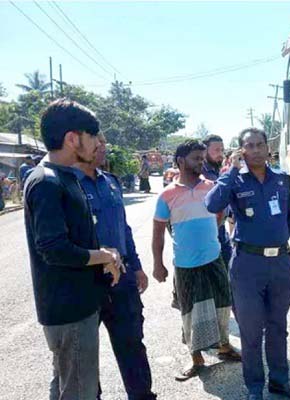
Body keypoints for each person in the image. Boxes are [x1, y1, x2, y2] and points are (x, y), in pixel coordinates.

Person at [23, 99, 123, 400]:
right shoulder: (47, 182)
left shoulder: (65, 177)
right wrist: (104, 256)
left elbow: (74, 239)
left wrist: (105, 253)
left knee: (67, 385)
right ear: (72, 138)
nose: (98, 144)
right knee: (80, 390)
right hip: (69, 309)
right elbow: (54, 249)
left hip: (77, 304)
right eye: (93, 136)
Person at [205, 128, 290, 400]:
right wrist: (230, 170)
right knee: (251, 332)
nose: (255, 150)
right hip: (247, 266)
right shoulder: (234, 181)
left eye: (259, 145)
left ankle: (279, 381)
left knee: (278, 327)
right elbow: (212, 204)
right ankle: (254, 388)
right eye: (249, 146)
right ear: (241, 150)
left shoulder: (282, 180)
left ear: (268, 148)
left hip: (280, 265)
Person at [74, 132, 156, 400]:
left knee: (132, 345)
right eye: (96, 143)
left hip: (122, 280)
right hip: (86, 283)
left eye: (104, 144)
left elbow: (124, 227)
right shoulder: (67, 185)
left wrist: (137, 267)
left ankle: (142, 396)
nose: (102, 148)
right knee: (85, 354)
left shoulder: (110, 182)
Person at [152, 139, 241, 382]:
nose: (201, 162)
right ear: (181, 161)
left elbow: (220, 215)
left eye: (202, 158)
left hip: (213, 259)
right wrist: (157, 264)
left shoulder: (211, 187)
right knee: (190, 311)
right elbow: (158, 232)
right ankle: (196, 357)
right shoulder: (167, 195)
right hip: (185, 264)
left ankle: (224, 346)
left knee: (222, 303)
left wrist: (210, 234)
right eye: (196, 158)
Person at [201, 134, 232, 266]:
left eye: (222, 150)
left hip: (220, 231)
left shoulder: (218, 171)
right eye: (216, 150)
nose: (221, 154)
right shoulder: (200, 174)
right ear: (204, 152)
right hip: (204, 236)